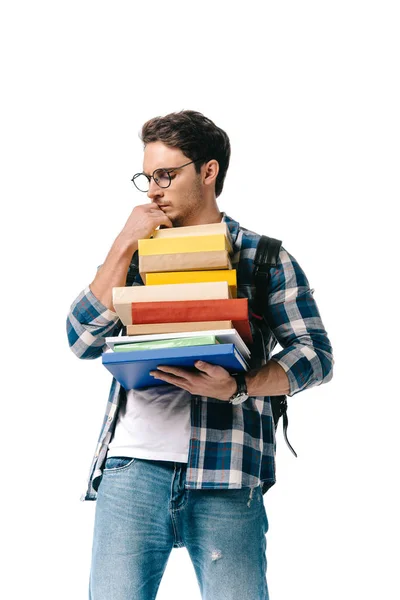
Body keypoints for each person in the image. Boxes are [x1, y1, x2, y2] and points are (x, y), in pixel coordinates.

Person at [66, 109, 334, 600]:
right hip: (131, 470)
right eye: (147, 177)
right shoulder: (134, 255)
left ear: (208, 171)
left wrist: (240, 385)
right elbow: (82, 339)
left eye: (166, 174)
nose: (153, 189)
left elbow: (315, 355)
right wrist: (123, 244)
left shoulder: (264, 256)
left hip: (227, 473)